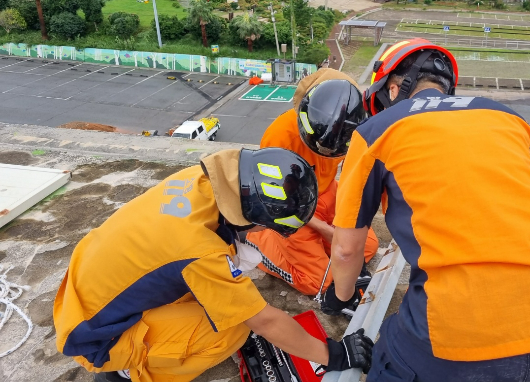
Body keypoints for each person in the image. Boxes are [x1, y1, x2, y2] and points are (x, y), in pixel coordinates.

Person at [323, 38, 530, 382]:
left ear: (393, 89)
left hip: (457, 340)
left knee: (386, 357)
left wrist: (338, 297)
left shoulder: (377, 130)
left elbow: (347, 250)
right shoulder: (507, 117)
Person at [53, 148, 373, 382]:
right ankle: (127, 369)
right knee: (232, 329)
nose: (263, 234)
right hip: (96, 336)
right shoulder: (200, 253)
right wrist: (333, 354)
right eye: (265, 227)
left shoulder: (201, 179)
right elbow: (264, 321)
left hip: (84, 291)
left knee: (219, 304)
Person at [247, 68, 379, 297]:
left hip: (327, 195)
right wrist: (326, 231)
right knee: (319, 284)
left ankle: (315, 249)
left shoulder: (352, 127)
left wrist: (339, 228)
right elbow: (280, 202)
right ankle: (258, 240)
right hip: (291, 210)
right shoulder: (280, 136)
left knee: (366, 248)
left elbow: (351, 177)